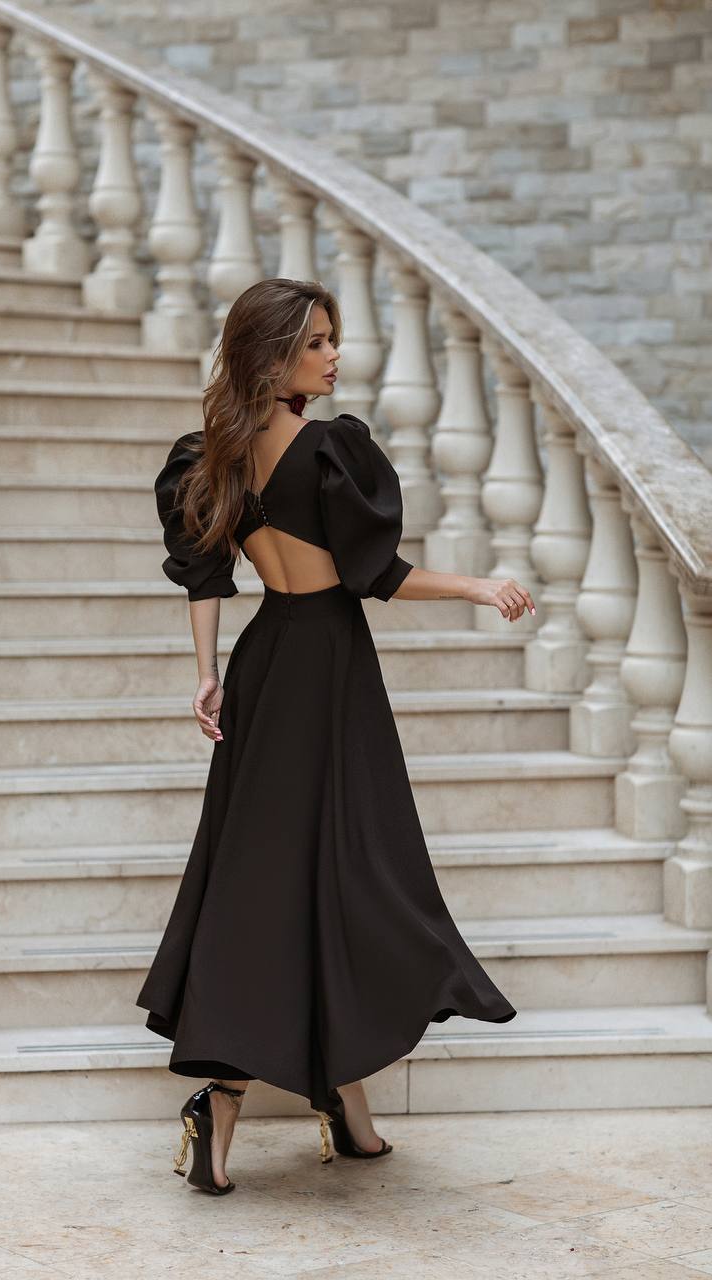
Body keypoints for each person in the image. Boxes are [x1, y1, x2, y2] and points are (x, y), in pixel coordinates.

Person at [135, 278, 534, 1196]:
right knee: (350, 869)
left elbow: (203, 579)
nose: (332, 356)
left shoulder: (211, 456)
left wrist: (203, 672)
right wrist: (477, 587)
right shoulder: (327, 449)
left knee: (271, 873)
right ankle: (302, 1102)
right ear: (273, 357)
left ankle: (300, 1113)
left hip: (261, 660)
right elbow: (376, 575)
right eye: (316, 343)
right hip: (327, 665)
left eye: (331, 340)